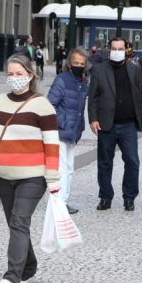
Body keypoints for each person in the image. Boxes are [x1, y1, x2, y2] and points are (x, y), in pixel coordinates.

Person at [0, 54, 60, 283]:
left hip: (32, 177)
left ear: (30, 75)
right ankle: (29, 266)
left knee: (19, 221)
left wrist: (53, 178)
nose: (14, 78)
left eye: (19, 73)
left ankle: (12, 276)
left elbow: (52, 144)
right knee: (15, 224)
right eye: (10, 73)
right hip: (3, 175)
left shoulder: (42, 105)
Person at [87, 37, 142, 211]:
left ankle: (129, 197)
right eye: (114, 48)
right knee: (104, 162)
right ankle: (105, 197)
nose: (117, 51)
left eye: (120, 48)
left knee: (132, 161)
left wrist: (141, 118)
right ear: (109, 49)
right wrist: (93, 119)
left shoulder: (135, 70)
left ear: (126, 50)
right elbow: (93, 97)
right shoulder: (99, 70)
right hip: (107, 124)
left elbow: (140, 96)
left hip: (128, 125)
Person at [47, 47, 89, 215]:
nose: (79, 66)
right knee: (62, 169)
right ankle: (60, 202)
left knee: (69, 168)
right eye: (76, 63)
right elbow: (50, 105)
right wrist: (63, 122)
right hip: (61, 131)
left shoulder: (82, 82)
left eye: (82, 63)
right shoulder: (62, 80)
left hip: (72, 132)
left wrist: (80, 125)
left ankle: (63, 200)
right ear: (69, 64)